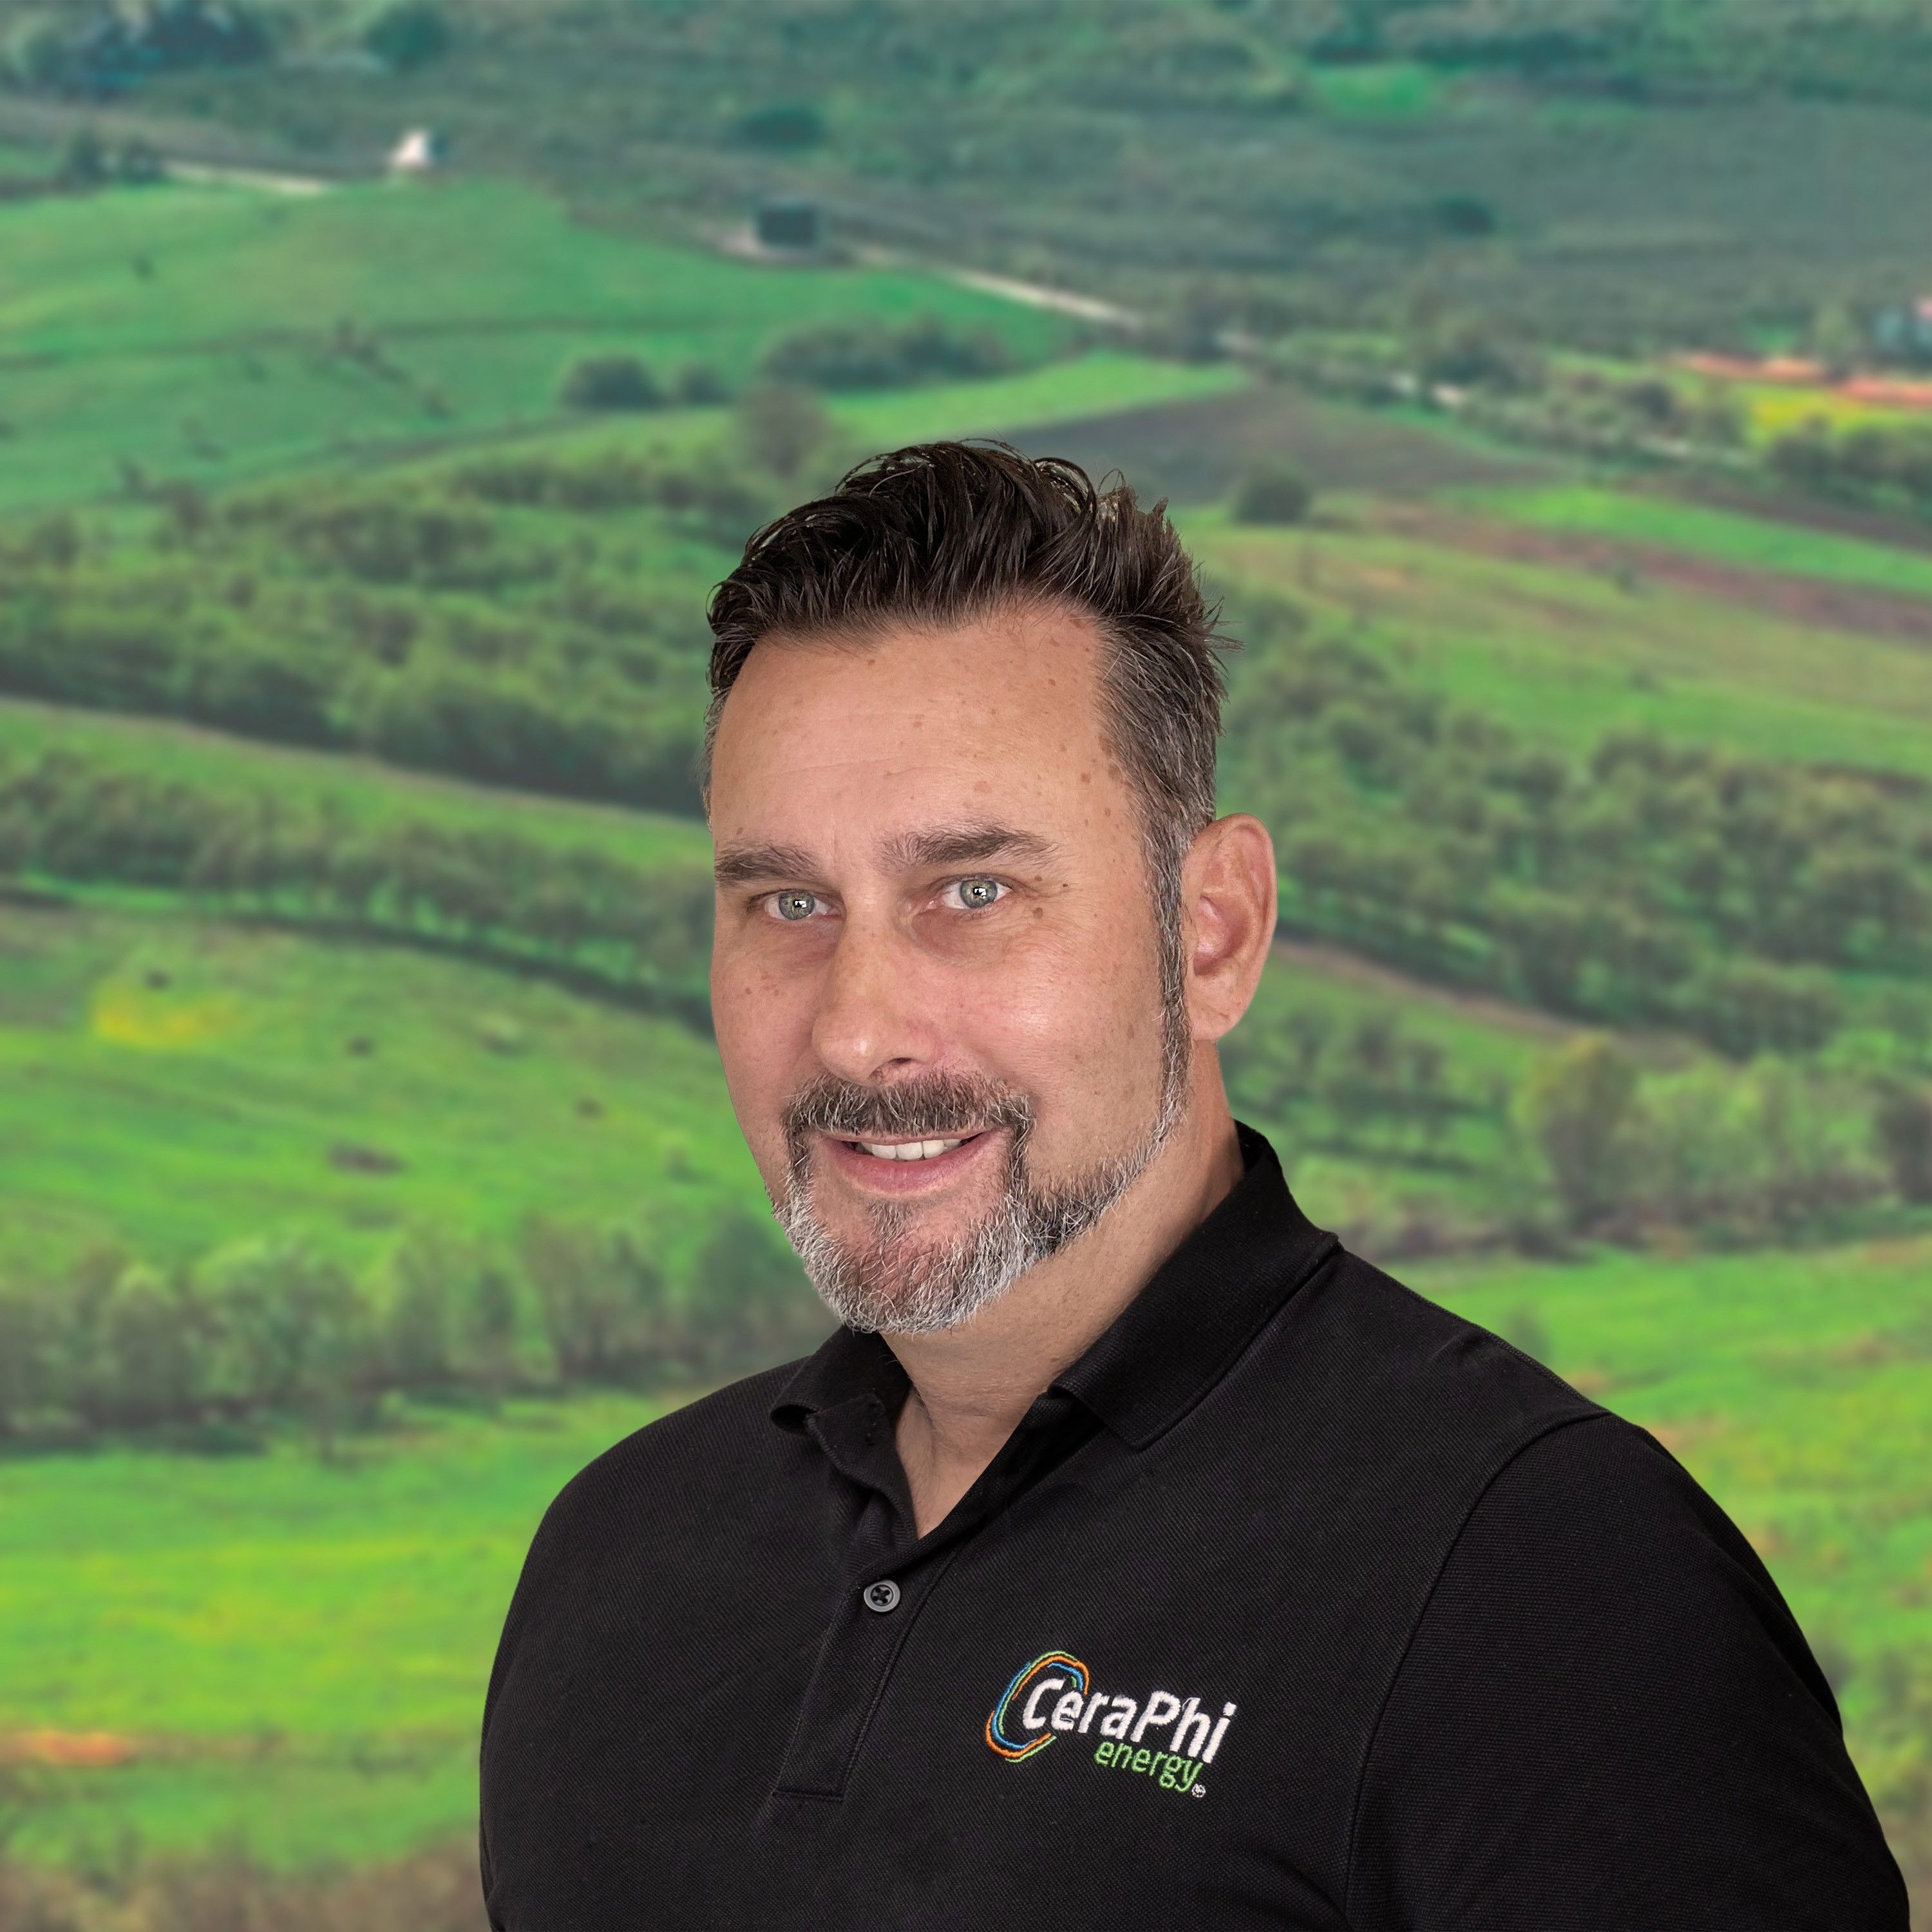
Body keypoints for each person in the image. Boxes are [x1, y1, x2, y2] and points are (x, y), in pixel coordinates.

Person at [478, 441, 1908, 1931]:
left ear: (1212, 932)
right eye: (789, 903)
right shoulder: (615, 1555)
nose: (855, 1031)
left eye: (975, 893)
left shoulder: (1549, 1579)